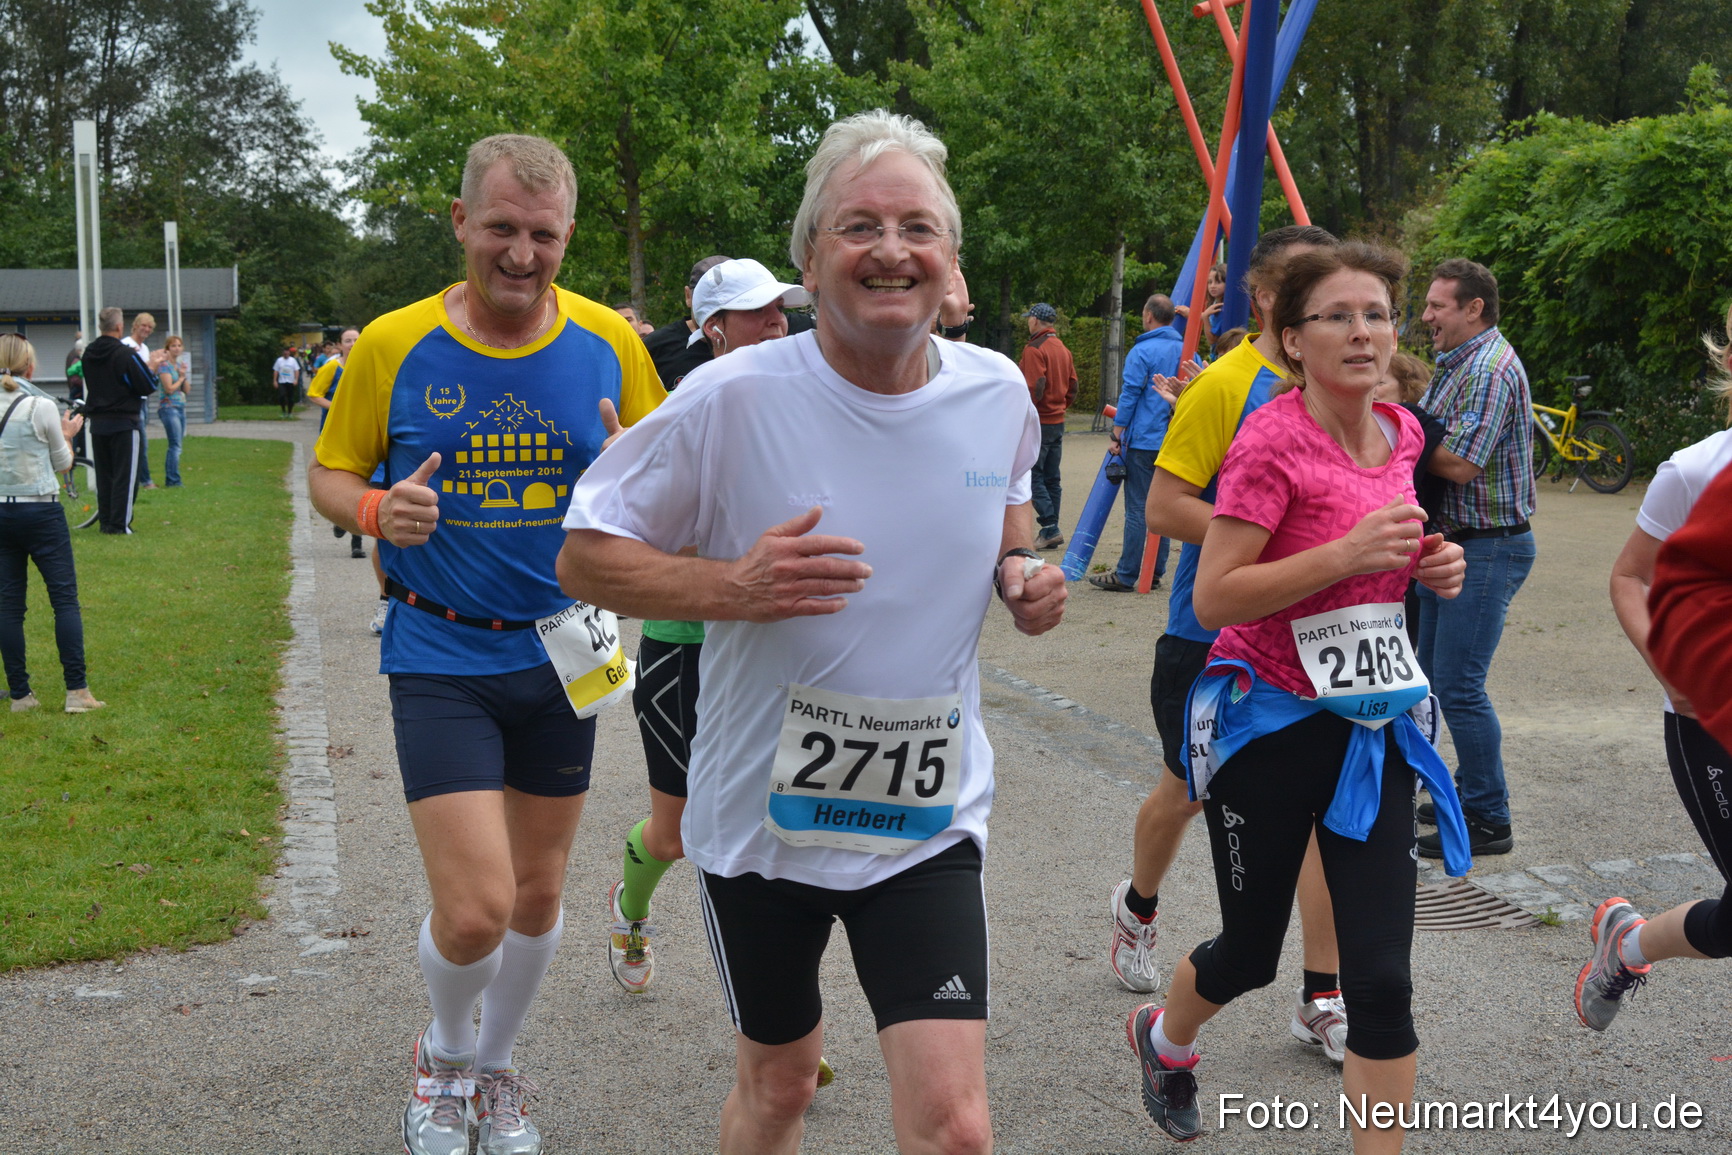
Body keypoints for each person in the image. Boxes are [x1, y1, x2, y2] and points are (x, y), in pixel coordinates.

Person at [558, 109, 1066, 1155]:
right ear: (808, 258)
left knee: (956, 1126)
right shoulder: (730, 397)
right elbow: (583, 554)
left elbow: (1006, 493)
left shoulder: (997, 389)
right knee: (782, 1088)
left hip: (925, 817)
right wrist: (731, 585)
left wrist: (1018, 567)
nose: (891, 250)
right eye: (860, 225)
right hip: (763, 829)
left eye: (918, 227)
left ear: (950, 258)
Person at [309, 132, 664, 1155]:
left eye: (543, 235)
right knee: (476, 910)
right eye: (501, 229)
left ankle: (496, 1069)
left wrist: (625, 475)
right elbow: (329, 475)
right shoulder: (392, 343)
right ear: (461, 222)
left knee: (541, 893)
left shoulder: (609, 341)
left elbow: (672, 464)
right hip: (441, 648)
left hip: (571, 644)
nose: (521, 253)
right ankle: (446, 1055)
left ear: (568, 236)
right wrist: (375, 510)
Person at [1127, 242, 1467, 1152]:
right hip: (1269, 725)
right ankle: (1165, 1039)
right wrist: (1348, 554)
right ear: (1291, 337)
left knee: (1383, 983)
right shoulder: (1272, 438)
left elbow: (1385, 556)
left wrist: (1429, 562)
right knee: (1248, 953)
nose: (1365, 332)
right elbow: (1217, 594)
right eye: (1339, 317)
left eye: (1379, 314)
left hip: (1369, 726)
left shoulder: (1402, 431)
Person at [1110, 227, 1347, 1025]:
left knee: (1323, 812)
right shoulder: (1225, 384)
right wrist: (1270, 533)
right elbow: (1168, 506)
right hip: (1210, 639)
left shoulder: (1349, 391)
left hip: (1315, 643)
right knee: (1183, 793)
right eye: (1305, 287)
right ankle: (1139, 906)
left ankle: (1322, 994)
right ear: (1267, 298)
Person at [607, 257, 812, 995]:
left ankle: (781, 1016)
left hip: (765, 651)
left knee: (775, 828)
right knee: (679, 832)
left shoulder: (802, 406)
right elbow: (639, 542)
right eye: (758, 313)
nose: (776, 324)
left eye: (780, 311)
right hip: (683, 651)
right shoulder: (687, 406)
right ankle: (630, 906)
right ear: (713, 329)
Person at [1579, 307, 1732, 1032]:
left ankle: (1629, 941)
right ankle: (1629, 943)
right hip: (1710, 717)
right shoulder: (1698, 468)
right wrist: (1675, 669)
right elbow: (1630, 578)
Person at [1412, 259, 1537, 858]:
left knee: (1459, 688)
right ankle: (1459, 798)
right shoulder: (1457, 363)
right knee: (1434, 682)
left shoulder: (1488, 368)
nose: (1427, 316)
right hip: (1456, 542)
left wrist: (1390, 432)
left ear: (1473, 309)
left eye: (1438, 306)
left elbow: (1460, 463)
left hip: (1488, 545)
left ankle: (1490, 818)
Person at [0, 334, 103, 714]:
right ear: (30, 366)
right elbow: (63, 464)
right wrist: (68, 435)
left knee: (9, 607)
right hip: (40, 510)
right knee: (64, 601)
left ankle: (20, 695)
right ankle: (76, 692)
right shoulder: (40, 405)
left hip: (2, 510)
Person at [1092, 294, 1180, 592]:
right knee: (1165, 507)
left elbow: (1129, 396)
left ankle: (1128, 573)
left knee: (1138, 507)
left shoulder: (1142, 351)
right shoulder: (1187, 349)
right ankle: (1155, 570)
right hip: (1173, 439)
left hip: (1144, 440)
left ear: (1148, 316)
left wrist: (1116, 434)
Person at [81, 308, 158, 534]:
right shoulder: (125, 354)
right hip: (124, 421)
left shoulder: (89, 353)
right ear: (119, 327)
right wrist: (151, 366)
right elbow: (147, 385)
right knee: (125, 475)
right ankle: (119, 524)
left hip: (98, 422)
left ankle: (106, 520)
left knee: (104, 475)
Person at [307, 329, 368, 559]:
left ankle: (357, 542)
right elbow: (314, 393)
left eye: (356, 340)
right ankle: (339, 519)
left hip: (362, 433)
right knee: (338, 480)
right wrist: (337, 408)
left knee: (360, 482)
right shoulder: (332, 368)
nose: (353, 344)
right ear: (340, 345)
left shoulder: (367, 367)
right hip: (335, 434)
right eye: (348, 340)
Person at [1021, 302, 1076, 550]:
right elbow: (1073, 386)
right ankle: (1051, 528)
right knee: (1053, 477)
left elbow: (1035, 387)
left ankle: (1050, 527)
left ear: (1035, 320)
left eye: (1028, 319)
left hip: (1040, 420)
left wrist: (1025, 413)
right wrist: (1062, 406)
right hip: (1058, 420)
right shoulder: (1063, 349)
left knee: (1033, 475)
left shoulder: (1034, 349)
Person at [642, 256, 730, 388]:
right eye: (705, 297)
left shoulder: (756, 344)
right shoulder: (655, 346)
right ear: (688, 296)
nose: (715, 308)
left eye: (728, 298)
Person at [121, 313, 158, 489]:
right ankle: (145, 480)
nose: (146, 329)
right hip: (130, 399)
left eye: (150, 327)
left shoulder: (144, 349)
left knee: (141, 441)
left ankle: (138, 478)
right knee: (139, 441)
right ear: (135, 325)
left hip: (142, 399)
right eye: (144, 325)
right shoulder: (126, 345)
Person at [155, 336, 189, 487]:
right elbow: (168, 389)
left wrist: (184, 376)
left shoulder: (180, 365)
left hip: (180, 406)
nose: (177, 348)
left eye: (179, 345)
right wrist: (180, 379)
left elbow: (187, 390)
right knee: (175, 445)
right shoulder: (164, 366)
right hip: (168, 408)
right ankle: (173, 480)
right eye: (173, 346)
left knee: (177, 445)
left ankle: (172, 478)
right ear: (167, 349)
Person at [272, 346, 302, 418]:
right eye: (284, 352)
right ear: (283, 353)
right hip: (282, 381)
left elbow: (296, 370)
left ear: (289, 352)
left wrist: (296, 379)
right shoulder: (279, 360)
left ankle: (290, 412)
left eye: (287, 352)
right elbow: (276, 371)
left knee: (290, 398)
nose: (286, 353)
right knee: (282, 396)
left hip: (290, 381)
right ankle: (283, 411)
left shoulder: (293, 360)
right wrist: (275, 381)